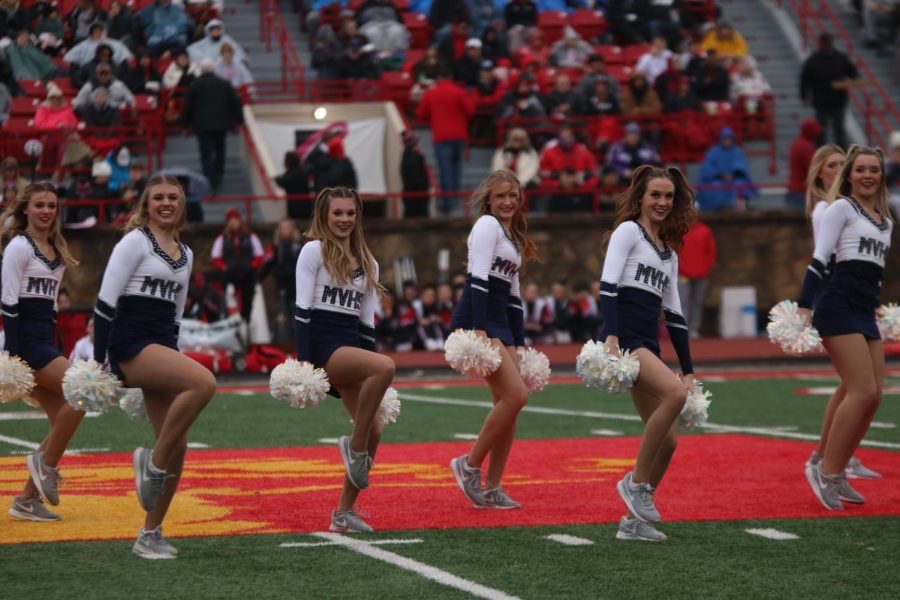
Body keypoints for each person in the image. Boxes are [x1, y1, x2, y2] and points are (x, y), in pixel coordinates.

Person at [93, 174, 216, 558]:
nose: (166, 203)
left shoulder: (186, 252)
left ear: (182, 205)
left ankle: (150, 534)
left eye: (173, 198)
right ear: (145, 204)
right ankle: (152, 461)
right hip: (129, 345)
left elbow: (177, 317)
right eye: (158, 197)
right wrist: (101, 362)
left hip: (161, 346)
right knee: (204, 382)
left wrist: (171, 359)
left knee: (178, 446)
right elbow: (104, 304)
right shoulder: (134, 241)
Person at [599, 165, 697, 541]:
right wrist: (610, 335)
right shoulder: (628, 232)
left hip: (648, 343)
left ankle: (634, 523)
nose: (662, 202)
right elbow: (608, 284)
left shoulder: (668, 254)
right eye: (655, 194)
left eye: (668, 196)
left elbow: (675, 316)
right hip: (626, 339)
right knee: (672, 395)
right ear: (640, 197)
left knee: (669, 440)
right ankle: (636, 483)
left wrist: (688, 370)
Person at [294, 186, 395, 532]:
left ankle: (343, 513)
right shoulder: (313, 251)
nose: (344, 219)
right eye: (338, 213)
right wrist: (307, 366)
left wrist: (368, 373)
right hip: (324, 347)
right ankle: (353, 448)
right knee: (386, 366)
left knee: (375, 429)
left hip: (351, 346)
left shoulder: (369, 262)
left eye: (350, 213)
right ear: (324, 215)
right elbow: (303, 310)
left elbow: (366, 325)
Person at [798, 146, 892, 510]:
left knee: (874, 395)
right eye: (861, 169)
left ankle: (835, 472)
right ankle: (826, 469)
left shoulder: (886, 220)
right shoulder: (840, 208)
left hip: (864, 308)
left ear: (881, 176)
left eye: (874, 170)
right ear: (850, 175)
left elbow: (875, 272)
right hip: (836, 304)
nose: (868, 175)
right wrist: (805, 306)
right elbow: (820, 259)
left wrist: (878, 305)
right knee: (861, 390)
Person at [448, 169, 539, 510]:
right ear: (489, 198)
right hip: (480, 315)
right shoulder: (486, 225)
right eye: (500, 196)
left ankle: (494, 486)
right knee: (516, 397)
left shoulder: (511, 235)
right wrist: (481, 329)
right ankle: (469, 465)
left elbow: (514, 295)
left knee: (508, 407)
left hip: (502, 319)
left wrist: (518, 341)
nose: (507, 201)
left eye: (513, 196)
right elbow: (480, 278)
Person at [2, 182, 83, 523]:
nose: (46, 211)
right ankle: (45, 466)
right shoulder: (19, 247)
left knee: (63, 417)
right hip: (26, 346)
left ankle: (25, 501)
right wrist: (15, 359)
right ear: (25, 210)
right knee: (80, 396)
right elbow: (8, 303)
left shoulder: (56, 252)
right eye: (39, 205)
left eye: (51, 205)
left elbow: (50, 310)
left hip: (45, 342)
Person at [415, 67, 475, 214]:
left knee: (445, 169)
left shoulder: (431, 93)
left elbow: (420, 114)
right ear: (451, 76)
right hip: (459, 135)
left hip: (441, 136)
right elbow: (470, 111)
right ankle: (455, 198)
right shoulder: (460, 92)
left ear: (438, 78)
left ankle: (449, 201)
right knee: (456, 168)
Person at [181, 58, 245, 190]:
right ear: (213, 69)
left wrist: (185, 125)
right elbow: (235, 101)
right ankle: (219, 173)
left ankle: (208, 179)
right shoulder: (223, 83)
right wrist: (238, 121)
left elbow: (187, 106)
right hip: (221, 124)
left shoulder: (194, 85)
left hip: (202, 126)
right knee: (220, 148)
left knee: (206, 153)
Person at [800, 33, 860, 149]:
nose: (827, 46)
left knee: (839, 131)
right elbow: (805, 80)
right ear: (821, 44)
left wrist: (853, 79)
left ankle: (843, 156)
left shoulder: (841, 58)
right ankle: (822, 156)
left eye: (828, 43)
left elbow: (853, 73)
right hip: (821, 101)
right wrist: (804, 96)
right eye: (825, 43)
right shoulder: (813, 61)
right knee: (821, 132)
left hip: (838, 101)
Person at [210, 208, 265, 322]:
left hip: (247, 275)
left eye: (235, 219)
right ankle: (228, 318)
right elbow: (215, 257)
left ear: (240, 221)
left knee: (248, 299)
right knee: (227, 297)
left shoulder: (250, 236)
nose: (233, 222)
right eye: (231, 220)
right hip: (230, 275)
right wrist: (224, 267)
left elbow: (259, 255)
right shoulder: (222, 238)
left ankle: (247, 319)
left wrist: (252, 266)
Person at [260, 218, 303, 341]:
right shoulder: (275, 247)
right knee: (283, 312)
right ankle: (284, 339)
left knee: (297, 312)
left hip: (297, 285)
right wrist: (258, 280)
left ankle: (297, 339)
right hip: (282, 285)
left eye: (288, 227)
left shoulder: (299, 246)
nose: (285, 230)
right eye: (283, 227)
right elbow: (267, 264)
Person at [696, 127, 758, 211]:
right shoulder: (713, 151)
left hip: (734, 178)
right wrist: (721, 175)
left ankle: (738, 207)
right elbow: (707, 168)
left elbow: (741, 167)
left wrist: (733, 175)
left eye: (729, 138)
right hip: (717, 178)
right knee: (715, 185)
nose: (727, 141)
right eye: (725, 138)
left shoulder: (737, 151)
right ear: (720, 139)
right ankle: (716, 208)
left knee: (740, 184)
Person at [677, 219, 717, 339]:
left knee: (697, 302)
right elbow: (673, 250)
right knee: (683, 302)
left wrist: (706, 268)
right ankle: (683, 329)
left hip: (701, 274)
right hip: (683, 274)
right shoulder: (678, 230)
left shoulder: (705, 230)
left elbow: (711, 251)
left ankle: (694, 329)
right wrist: (680, 267)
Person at [787, 119, 825, 209]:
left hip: (795, 189)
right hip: (801, 190)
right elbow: (813, 168)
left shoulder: (798, 143)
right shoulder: (806, 147)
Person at [400, 130, 431, 217]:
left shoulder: (406, 158)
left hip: (411, 199)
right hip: (417, 201)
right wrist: (425, 189)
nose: (420, 144)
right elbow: (417, 181)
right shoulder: (414, 159)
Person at [275, 151, 311, 219]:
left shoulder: (297, 172)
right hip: (298, 205)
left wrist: (276, 179)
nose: (283, 162)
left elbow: (285, 181)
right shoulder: (296, 170)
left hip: (299, 207)